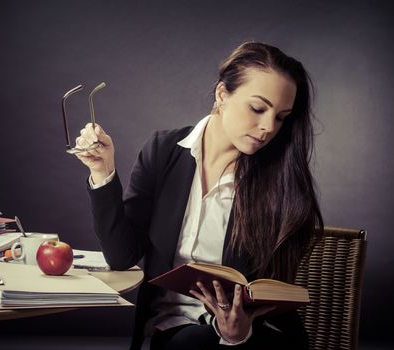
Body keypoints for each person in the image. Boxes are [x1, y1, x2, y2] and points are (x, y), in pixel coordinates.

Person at [75, 41, 323, 350]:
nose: (268, 127)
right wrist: (102, 172)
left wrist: (238, 333)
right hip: (170, 329)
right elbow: (122, 255)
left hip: (252, 338)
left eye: (281, 117)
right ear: (222, 94)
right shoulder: (163, 151)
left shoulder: (281, 182)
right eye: (258, 108)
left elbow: (271, 298)